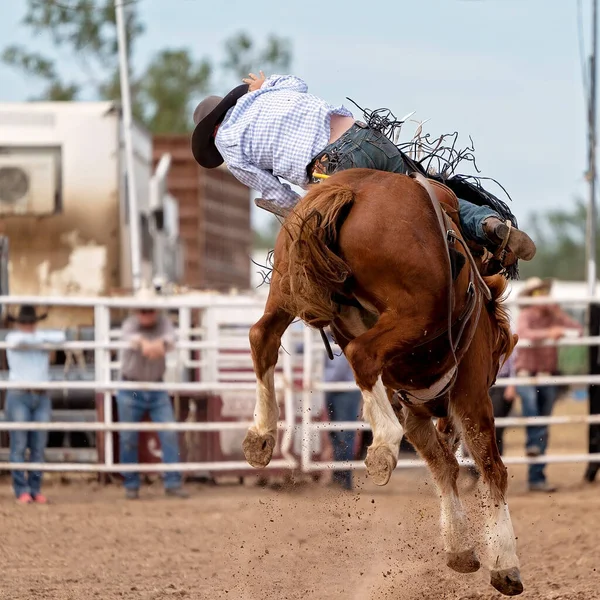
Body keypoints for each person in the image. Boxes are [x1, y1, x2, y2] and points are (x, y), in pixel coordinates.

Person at [190, 72, 536, 264]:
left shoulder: (229, 143)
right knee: (426, 193)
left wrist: (304, 214)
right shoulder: (265, 94)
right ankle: (487, 223)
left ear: (212, 131)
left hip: (334, 169)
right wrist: (266, 83)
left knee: (337, 257)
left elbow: (272, 191)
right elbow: (299, 83)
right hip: (365, 136)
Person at [117, 289, 188, 500]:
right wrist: (154, 345)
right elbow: (150, 345)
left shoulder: (162, 323)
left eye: (149, 310)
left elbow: (166, 342)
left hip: (156, 386)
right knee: (129, 438)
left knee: (169, 433)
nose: (146, 314)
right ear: (137, 311)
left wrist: (155, 345)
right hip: (132, 387)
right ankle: (131, 484)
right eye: (143, 310)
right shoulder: (130, 325)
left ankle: (172, 483)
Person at [515, 277, 583, 492]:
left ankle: (536, 475)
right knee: (536, 414)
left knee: (541, 420)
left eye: (544, 292)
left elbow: (578, 330)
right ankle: (535, 463)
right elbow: (523, 333)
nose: (542, 296)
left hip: (546, 374)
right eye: (538, 293)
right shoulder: (526, 315)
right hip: (527, 374)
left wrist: (558, 315)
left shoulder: (555, 317)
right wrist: (549, 333)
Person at [5, 305, 65, 504]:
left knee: (38, 446)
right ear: (19, 323)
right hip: (21, 394)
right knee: (20, 446)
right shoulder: (13, 338)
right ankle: (23, 489)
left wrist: (40, 339)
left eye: (30, 322)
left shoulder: (38, 338)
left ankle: (33, 489)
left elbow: (61, 337)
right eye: (25, 322)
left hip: (39, 395)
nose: (28, 326)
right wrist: (42, 339)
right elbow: (20, 341)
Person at [323, 333, 361, 491]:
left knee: (344, 435)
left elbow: (338, 366)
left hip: (344, 388)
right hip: (335, 388)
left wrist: (321, 383)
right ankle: (339, 476)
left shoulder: (344, 335)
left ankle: (344, 478)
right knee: (336, 434)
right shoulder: (327, 336)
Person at [491, 353, 517, 456]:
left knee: (495, 427)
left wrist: (512, 383)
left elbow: (513, 358)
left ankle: (495, 460)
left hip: (501, 382)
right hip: (483, 382)